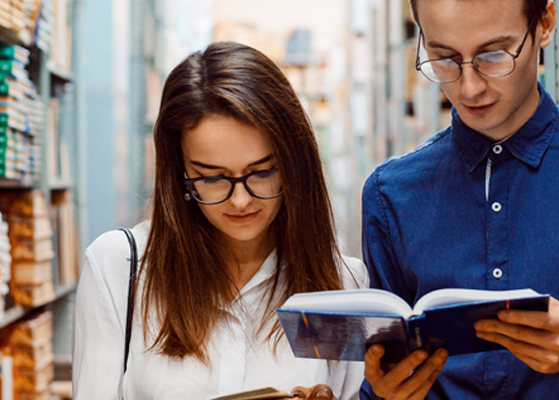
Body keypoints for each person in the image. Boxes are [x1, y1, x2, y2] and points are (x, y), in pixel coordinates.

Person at [72, 41, 368, 400]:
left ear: (293, 165)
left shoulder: (342, 286)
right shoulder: (119, 268)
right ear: (179, 173)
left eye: (261, 172)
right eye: (212, 178)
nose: (240, 200)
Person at [360, 0, 559, 399]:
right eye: (445, 58)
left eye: (493, 55)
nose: (469, 87)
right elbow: (380, 374)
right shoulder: (391, 195)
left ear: (545, 23)